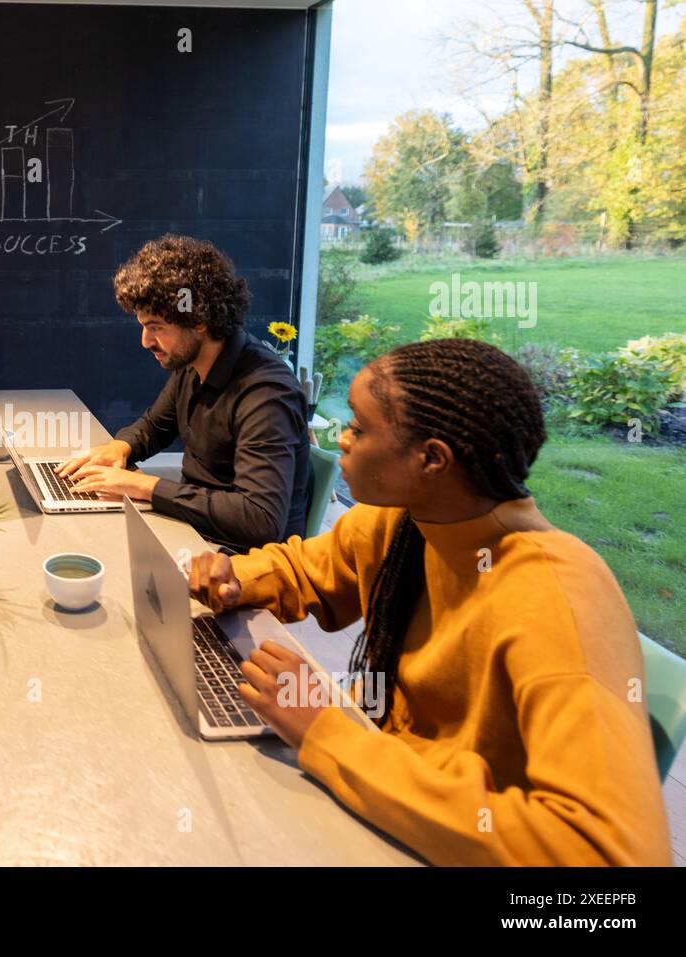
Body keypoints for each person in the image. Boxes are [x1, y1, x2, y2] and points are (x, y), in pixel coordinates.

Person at [187, 338, 671, 865]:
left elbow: (611, 856)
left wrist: (325, 732)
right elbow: (310, 569)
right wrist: (236, 576)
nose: (341, 441)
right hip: (387, 790)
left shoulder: (559, 597)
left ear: (432, 458)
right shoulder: (404, 520)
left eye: (359, 428)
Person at [57, 234, 311, 552]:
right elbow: (154, 426)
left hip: (242, 561)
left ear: (199, 320)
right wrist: (121, 447)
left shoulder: (266, 395)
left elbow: (258, 520)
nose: (145, 341)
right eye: (143, 326)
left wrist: (146, 486)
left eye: (157, 327)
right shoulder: (193, 365)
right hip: (195, 534)